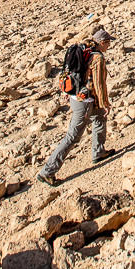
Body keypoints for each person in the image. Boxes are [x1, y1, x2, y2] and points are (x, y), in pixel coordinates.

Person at [36, 28, 116, 186]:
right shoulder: (97, 58)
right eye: (107, 43)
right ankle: (48, 171)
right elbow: (99, 84)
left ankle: (98, 151)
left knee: (100, 116)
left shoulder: (83, 50)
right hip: (85, 101)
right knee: (73, 136)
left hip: (76, 96)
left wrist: (67, 92)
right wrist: (105, 102)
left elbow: (68, 71)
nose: (109, 46)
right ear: (101, 43)